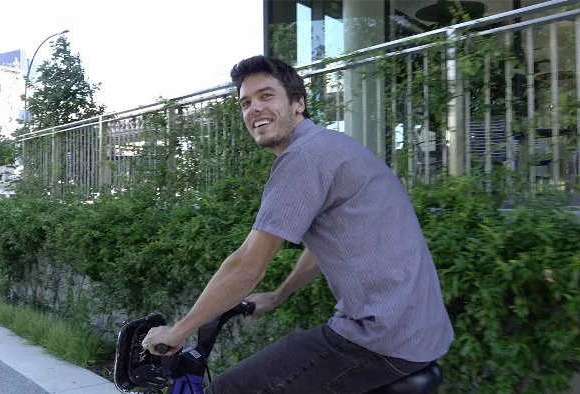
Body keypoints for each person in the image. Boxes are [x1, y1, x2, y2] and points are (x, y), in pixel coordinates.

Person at [142, 55, 454, 393]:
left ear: (298, 104)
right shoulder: (330, 145)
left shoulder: (303, 158)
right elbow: (326, 246)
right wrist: (278, 295)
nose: (254, 109)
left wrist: (178, 331)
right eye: (246, 103)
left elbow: (247, 265)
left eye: (266, 95)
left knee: (228, 389)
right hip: (417, 333)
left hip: (381, 338)